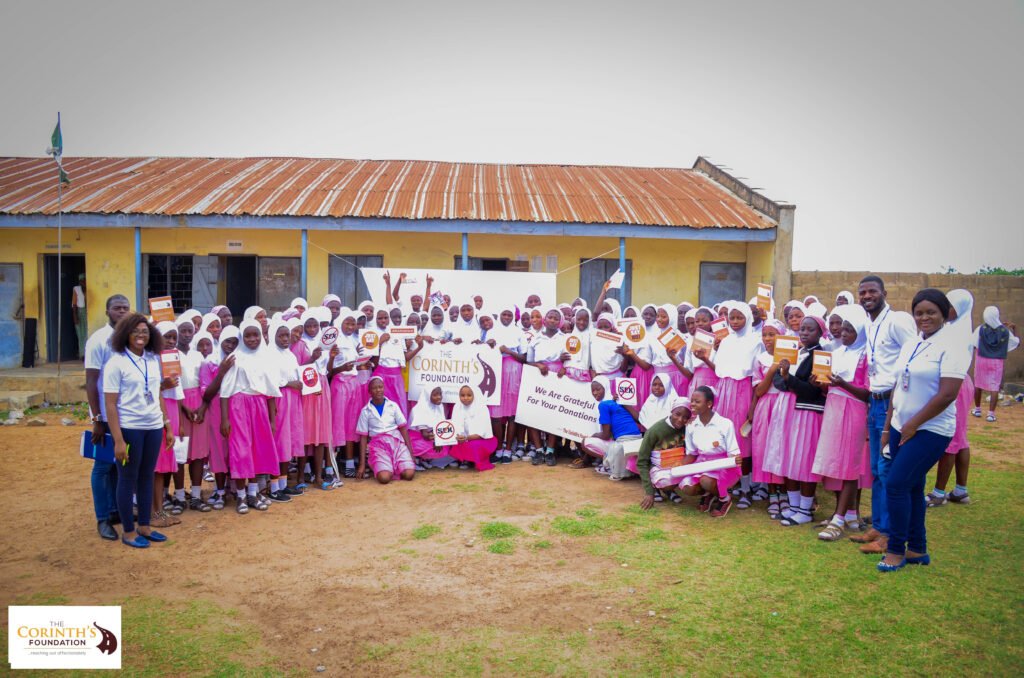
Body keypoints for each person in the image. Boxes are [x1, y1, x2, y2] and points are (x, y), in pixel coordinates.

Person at [877, 289, 967, 572]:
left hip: (930, 429)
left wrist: (914, 424)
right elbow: (898, 386)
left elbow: (947, 394)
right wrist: (887, 428)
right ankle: (917, 549)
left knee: (896, 484)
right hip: (899, 426)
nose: (924, 317)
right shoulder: (912, 343)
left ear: (944, 314)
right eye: (919, 313)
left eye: (931, 312)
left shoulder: (953, 345)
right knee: (913, 486)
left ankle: (895, 550)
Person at [850, 275, 917, 555]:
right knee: (877, 469)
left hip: (893, 402)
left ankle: (890, 534)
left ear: (884, 293)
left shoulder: (897, 321)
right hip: (875, 401)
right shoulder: (870, 323)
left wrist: (901, 399)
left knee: (888, 468)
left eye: (872, 291)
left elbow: (914, 356)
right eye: (863, 292)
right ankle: (879, 526)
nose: (867, 296)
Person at [103, 313, 174, 548]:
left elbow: (157, 394)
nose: (140, 335)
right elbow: (110, 404)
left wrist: (167, 425)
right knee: (127, 478)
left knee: (147, 476)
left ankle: (145, 526)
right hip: (130, 428)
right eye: (135, 331)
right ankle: (129, 531)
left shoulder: (152, 360)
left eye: (144, 331)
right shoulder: (116, 362)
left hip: (153, 427)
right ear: (126, 334)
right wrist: (118, 440)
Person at [811, 305, 872, 541]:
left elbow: (867, 393)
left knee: (849, 464)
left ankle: (838, 519)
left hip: (853, 411)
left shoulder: (866, 356)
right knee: (838, 463)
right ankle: (850, 515)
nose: (843, 334)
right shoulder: (838, 353)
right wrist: (821, 384)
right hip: (834, 409)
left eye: (849, 330)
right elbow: (830, 388)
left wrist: (841, 384)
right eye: (842, 329)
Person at [219, 320, 282, 514]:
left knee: (257, 450)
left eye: (256, 335)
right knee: (241, 451)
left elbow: (270, 391)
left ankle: (253, 494)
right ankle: (241, 496)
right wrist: (225, 419)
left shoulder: (265, 358)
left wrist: (272, 420)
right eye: (248, 335)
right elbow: (225, 391)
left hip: (259, 407)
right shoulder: (235, 358)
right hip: (239, 407)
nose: (252, 339)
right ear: (242, 337)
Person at [771, 315, 827, 527]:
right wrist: (785, 377)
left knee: (803, 459)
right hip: (786, 410)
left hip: (806, 412)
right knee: (787, 456)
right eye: (802, 329)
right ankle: (793, 506)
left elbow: (812, 391)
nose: (804, 333)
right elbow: (778, 380)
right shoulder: (793, 352)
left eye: (810, 330)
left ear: (820, 333)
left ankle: (805, 510)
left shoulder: (820, 357)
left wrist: (789, 378)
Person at [704, 302, 760, 507]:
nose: (735, 322)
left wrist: (752, 405)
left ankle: (745, 488)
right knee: (722, 439)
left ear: (747, 318)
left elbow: (756, 375)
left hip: (743, 392)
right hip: (724, 391)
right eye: (732, 318)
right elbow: (719, 369)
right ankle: (725, 484)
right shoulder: (726, 341)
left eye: (739, 318)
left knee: (742, 441)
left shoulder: (755, 341)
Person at [85, 294, 131, 541]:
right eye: (117, 308)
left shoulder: (129, 338)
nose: (121, 312)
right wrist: (97, 418)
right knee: (103, 466)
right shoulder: (98, 340)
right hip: (104, 414)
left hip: (126, 413)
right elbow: (91, 381)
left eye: (125, 308)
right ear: (107, 312)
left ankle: (115, 511)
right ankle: (102, 518)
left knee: (118, 462)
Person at [928, 290, 978, 506]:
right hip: (961, 382)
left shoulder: (955, 333)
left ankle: (939, 493)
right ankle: (960, 490)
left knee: (951, 438)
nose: (945, 309)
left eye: (950, 306)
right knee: (960, 437)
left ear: (961, 308)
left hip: (954, 384)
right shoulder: (957, 329)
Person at [678, 386, 742, 517]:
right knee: (687, 487)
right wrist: (678, 466)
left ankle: (724, 499)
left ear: (709, 404)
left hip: (724, 465)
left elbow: (733, 452)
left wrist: (736, 458)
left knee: (706, 481)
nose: (692, 404)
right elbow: (692, 453)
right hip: (702, 463)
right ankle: (709, 494)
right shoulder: (691, 425)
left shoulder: (725, 424)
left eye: (697, 401)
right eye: (692, 401)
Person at [747, 319, 786, 519]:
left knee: (781, 449)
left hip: (784, 405)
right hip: (766, 406)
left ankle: (784, 493)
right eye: (765, 334)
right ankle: (772, 494)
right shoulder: (760, 359)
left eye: (772, 334)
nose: (768, 338)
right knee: (764, 449)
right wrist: (771, 370)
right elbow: (759, 390)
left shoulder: (790, 358)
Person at [176, 314, 211, 512]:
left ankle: (196, 495)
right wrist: (183, 407)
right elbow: (172, 386)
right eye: (183, 331)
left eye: (190, 331)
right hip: (179, 404)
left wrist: (203, 407)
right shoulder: (170, 355)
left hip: (198, 403)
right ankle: (180, 496)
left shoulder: (198, 356)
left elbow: (205, 383)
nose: (187, 334)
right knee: (180, 451)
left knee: (198, 453)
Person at [267, 319, 303, 502]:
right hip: (279, 399)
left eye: (286, 335)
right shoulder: (270, 355)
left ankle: (283, 484)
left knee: (288, 441)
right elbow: (271, 380)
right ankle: (273, 487)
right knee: (278, 442)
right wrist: (289, 384)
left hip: (293, 401)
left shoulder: (290, 355)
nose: (285, 339)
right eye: (280, 336)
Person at [356, 376, 417, 484]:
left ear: (384, 388)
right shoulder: (365, 411)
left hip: (397, 443)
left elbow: (403, 429)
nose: (378, 390)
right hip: (378, 446)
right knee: (384, 478)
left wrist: (410, 453)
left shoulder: (393, 406)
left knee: (409, 474)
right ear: (369, 391)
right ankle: (385, 466)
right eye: (374, 388)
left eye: (380, 387)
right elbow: (363, 437)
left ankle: (394, 465)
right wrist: (362, 465)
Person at [579, 376, 643, 479]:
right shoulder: (619, 401)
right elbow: (639, 420)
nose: (595, 393)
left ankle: (610, 465)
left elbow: (606, 435)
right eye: (593, 390)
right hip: (638, 440)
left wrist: (593, 435)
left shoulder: (604, 405)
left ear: (605, 387)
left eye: (598, 389)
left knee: (585, 442)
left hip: (623, 442)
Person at [635, 396, 691, 508]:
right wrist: (649, 492)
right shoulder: (655, 431)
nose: (680, 420)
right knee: (666, 482)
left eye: (685, 417)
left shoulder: (687, 429)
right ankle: (657, 487)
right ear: (671, 411)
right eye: (677, 414)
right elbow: (642, 461)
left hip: (676, 465)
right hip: (657, 467)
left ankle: (668, 490)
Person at [971, 305, 1019, 423]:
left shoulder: (980, 329)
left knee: (978, 384)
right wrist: (1014, 329)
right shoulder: (1004, 331)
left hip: (981, 360)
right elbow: (1016, 343)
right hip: (996, 362)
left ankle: (977, 410)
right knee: (994, 387)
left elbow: (973, 344)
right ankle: (991, 414)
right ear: (997, 315)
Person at [450, 385, 498, 471]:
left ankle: (471, 460)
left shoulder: (482, 408)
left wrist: (466, 438)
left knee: (475, 445)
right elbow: (455, 426)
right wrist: (458, 436)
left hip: (480, 439)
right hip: (463, 439)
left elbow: (482, 433)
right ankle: (463, 459)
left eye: (469, 395)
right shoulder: (457, 406)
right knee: (454, 441)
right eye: (462, 395)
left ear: (475, 395)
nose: (465, 398)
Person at [408, 387, 455, 469]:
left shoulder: (439, 407)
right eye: (435, 395)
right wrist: (438, 441)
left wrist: (440, 440)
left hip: (431, 436)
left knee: (447, 446)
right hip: (417, 438)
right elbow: (425, 435)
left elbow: (440, 427)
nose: (439, 397)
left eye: (440, 394)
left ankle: (425, 459)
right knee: (429, 446)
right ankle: (419, 459)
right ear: (427, 396)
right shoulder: (420, 409)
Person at [72, 273, 87, 358]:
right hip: (80, 312)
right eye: (81, 280)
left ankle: (87, 353)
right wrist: (75, 316)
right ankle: (82, 354)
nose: (83, 282)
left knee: (87, 333)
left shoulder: (89, 288)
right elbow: (74, 304)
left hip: (87, 312)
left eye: (84, 280)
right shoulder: (76, 289)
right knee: (81, 334)